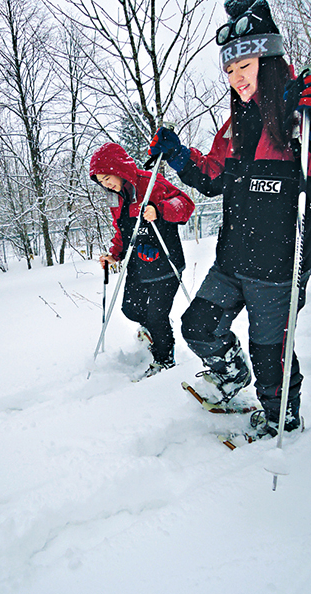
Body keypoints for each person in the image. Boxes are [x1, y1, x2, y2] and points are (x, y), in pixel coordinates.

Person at [146, 0, 311, 438]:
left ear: (269, 60)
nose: (237, 77)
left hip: (276, 268)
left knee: (270, 354)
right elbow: (212, 177)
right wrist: (178, 154)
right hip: (232, 259)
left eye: (247, 64)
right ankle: (231, 376)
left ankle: (282, 418)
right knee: (197, 326)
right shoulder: (234, 126)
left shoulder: (299, 119)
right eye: (231, 68)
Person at [89, 142, 194, 379]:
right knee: (130, 309)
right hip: (138, 265)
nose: (105, 184)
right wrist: (114, 254)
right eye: (100, 181)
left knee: (157, 316)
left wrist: (161, 209)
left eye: (107, 177)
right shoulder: (114, 197)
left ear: (119, 168)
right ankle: (157, 331)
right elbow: (122, 229)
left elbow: (186, 205)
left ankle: (164, 359)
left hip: (166, 264)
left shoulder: (151, 183)